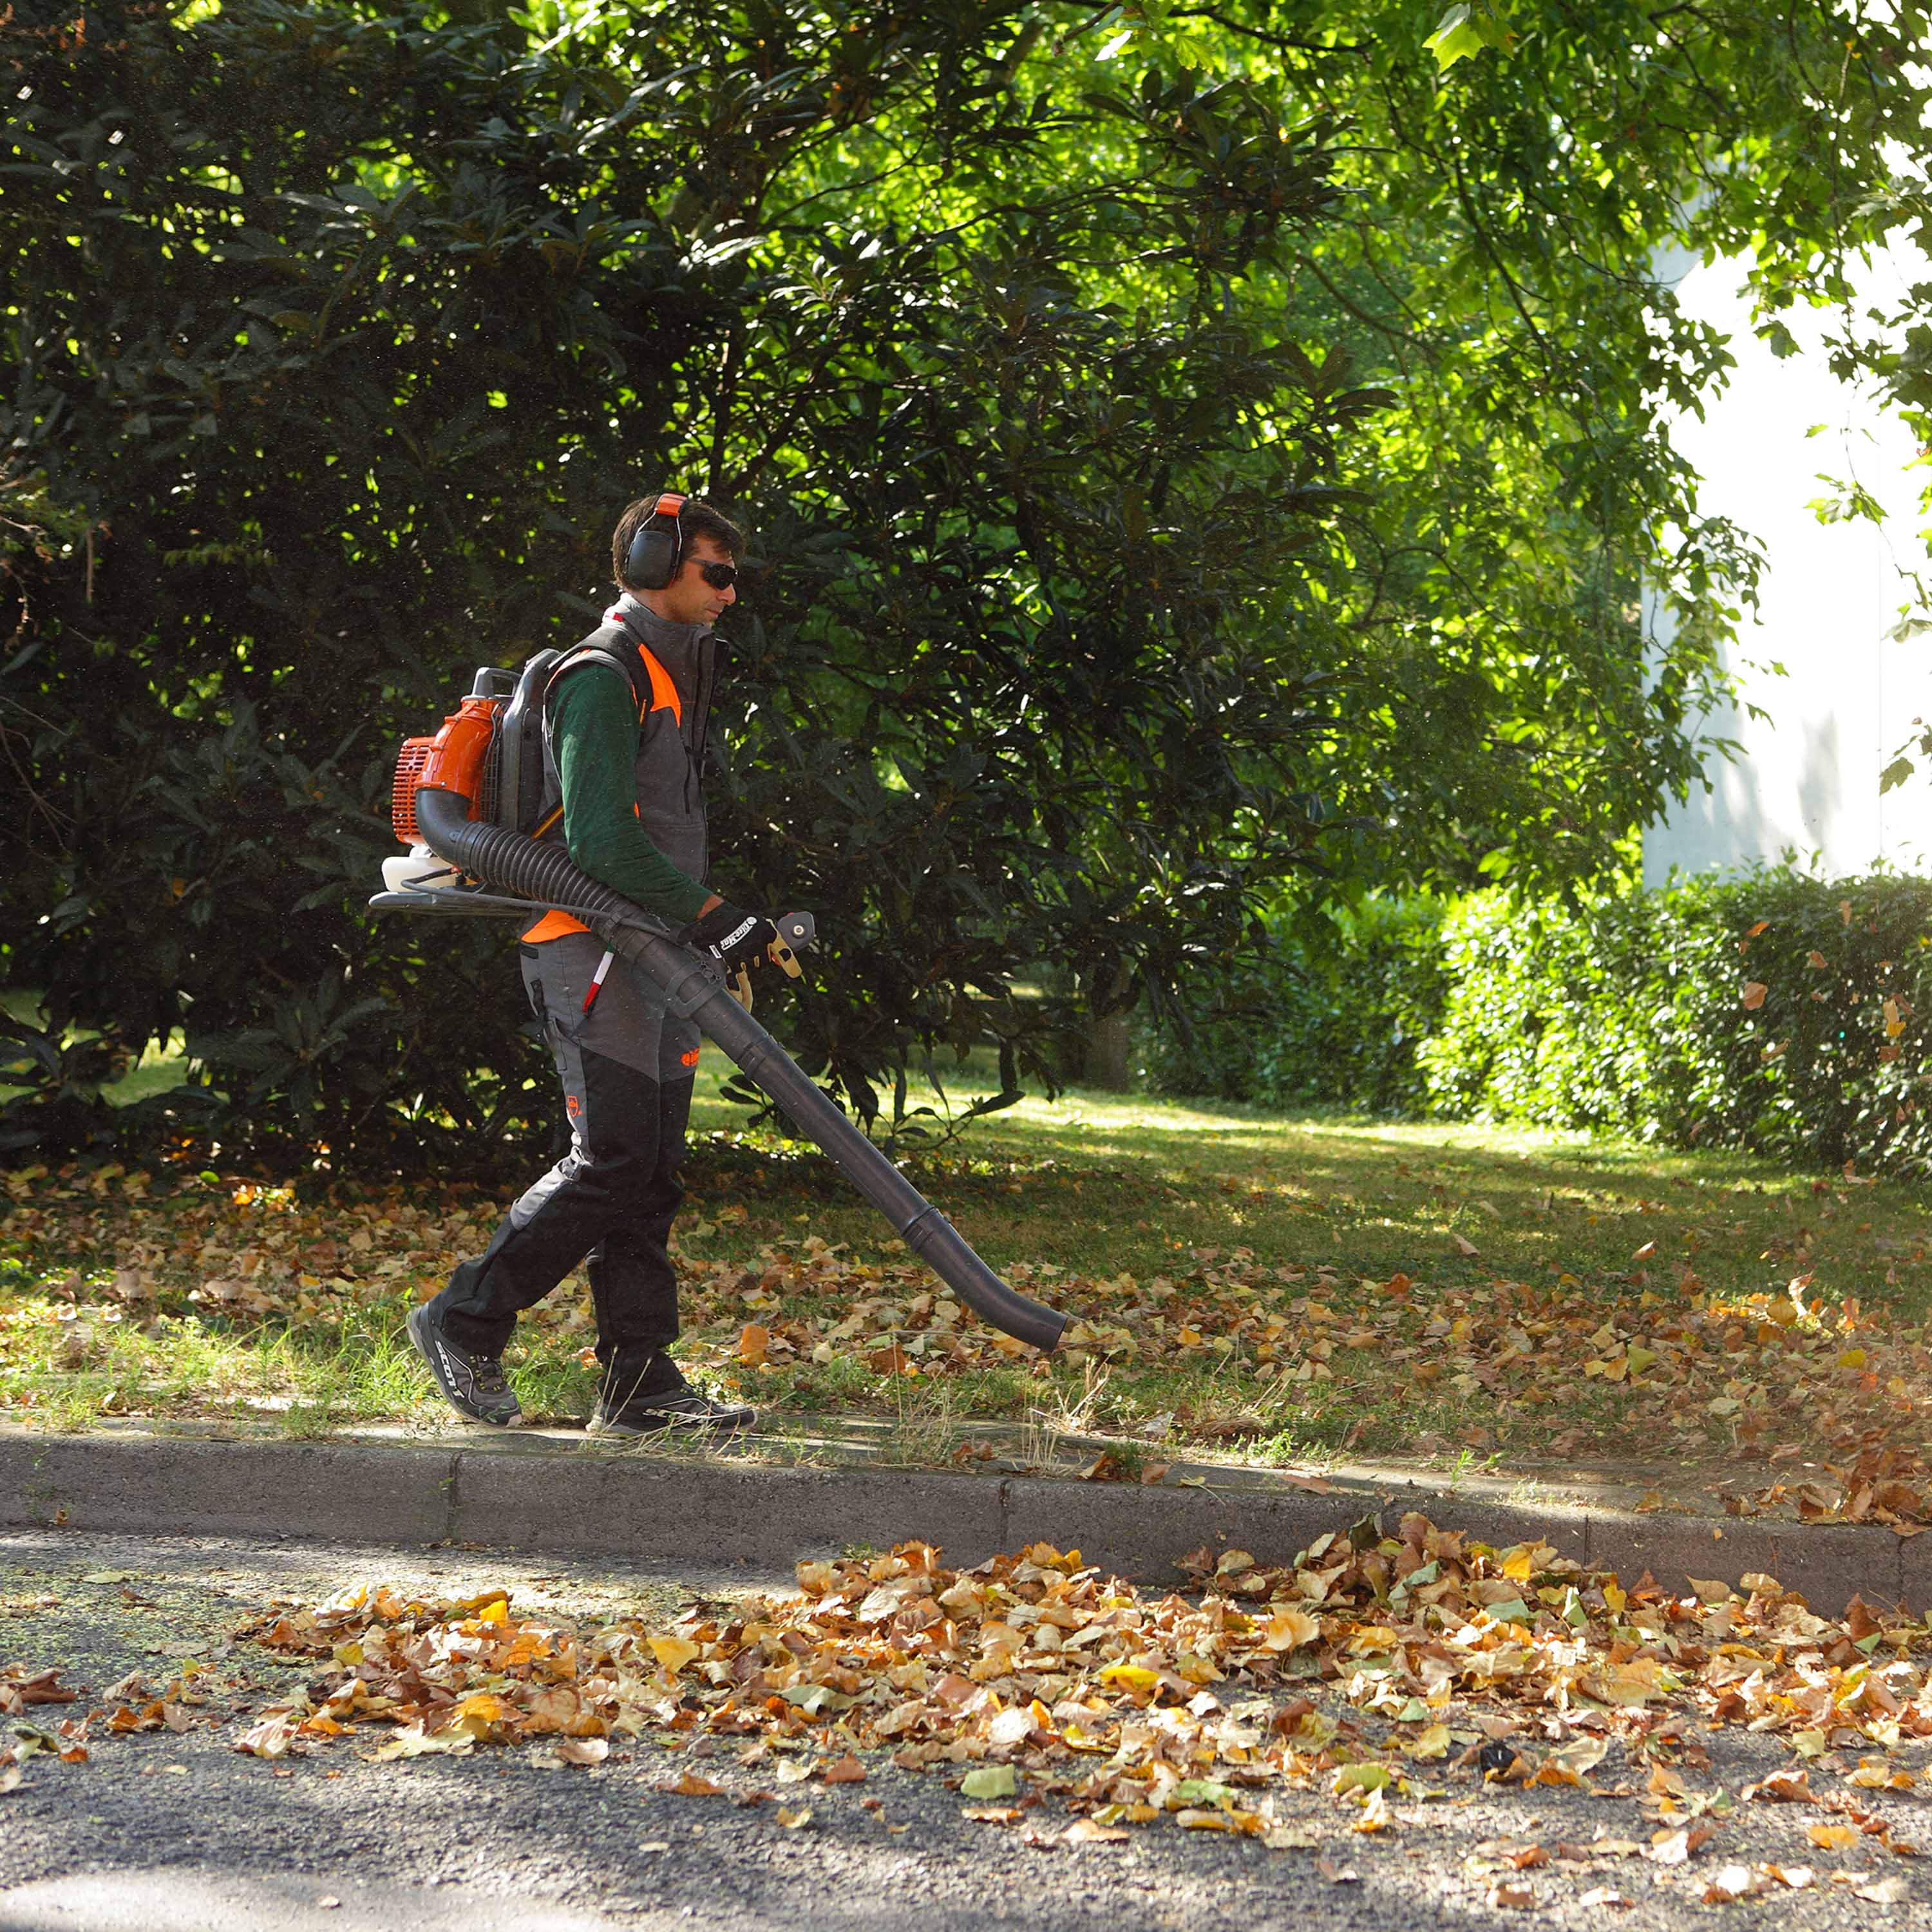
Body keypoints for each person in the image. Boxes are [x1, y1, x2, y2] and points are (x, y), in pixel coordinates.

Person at [408, 492, 782, 1435]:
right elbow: (601, 845)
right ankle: (463, 1320)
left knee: (650, 1169)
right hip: (590, 950)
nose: (730, 594)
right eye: (717, 573)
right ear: (656, 565)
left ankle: (640, 1383)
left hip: (651, 953)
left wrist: (702, 929)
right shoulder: (602, 676)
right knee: (610, 1157)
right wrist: (719, 918)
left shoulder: (673, 672)